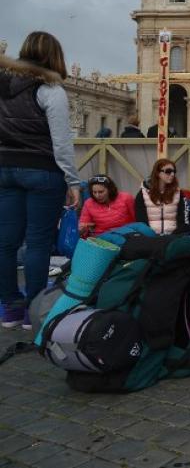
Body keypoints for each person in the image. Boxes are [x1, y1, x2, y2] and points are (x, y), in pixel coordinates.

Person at [0, 32, 82, 329]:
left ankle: (9, 308)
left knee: (5, 244)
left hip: (5, 169)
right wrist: (73, 182)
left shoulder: (3, 85)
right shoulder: (50, 89)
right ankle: (33, 311)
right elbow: (61, 143)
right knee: (37, 243)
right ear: (54, 57)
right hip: (43, 172)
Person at [135, 158, 188, 235]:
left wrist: (176, 235)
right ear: (157, 173)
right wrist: (149, 235)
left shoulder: (179, 193)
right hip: (150, 237)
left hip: (173, 236)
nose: (172, 174)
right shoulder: (143, 194)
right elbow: (141, 220)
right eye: (168, 171)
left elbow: (183, 219)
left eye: (174, 171)